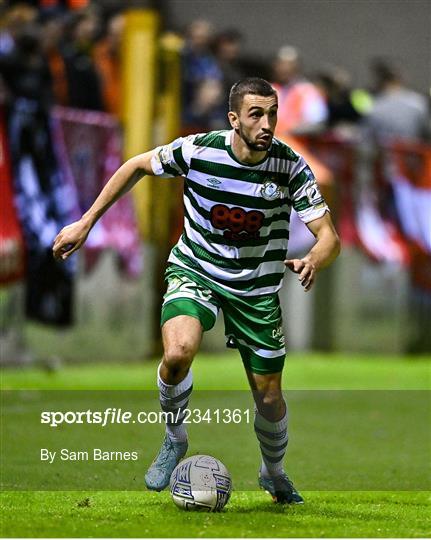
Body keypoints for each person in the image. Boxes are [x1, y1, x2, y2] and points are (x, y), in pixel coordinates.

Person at [52, 77, 340, 504]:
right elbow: (135, 165)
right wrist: (86, 221)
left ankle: (273, 472)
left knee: (269, 397)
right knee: (177, 353)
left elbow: (329, 237)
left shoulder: (290, 166)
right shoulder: (199, 149)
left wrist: (313, 259)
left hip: (256, 289)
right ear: (234, 119)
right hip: (197, 270)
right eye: (256, 114)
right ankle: (174, 438)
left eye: (272, 113)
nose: (266, 124)